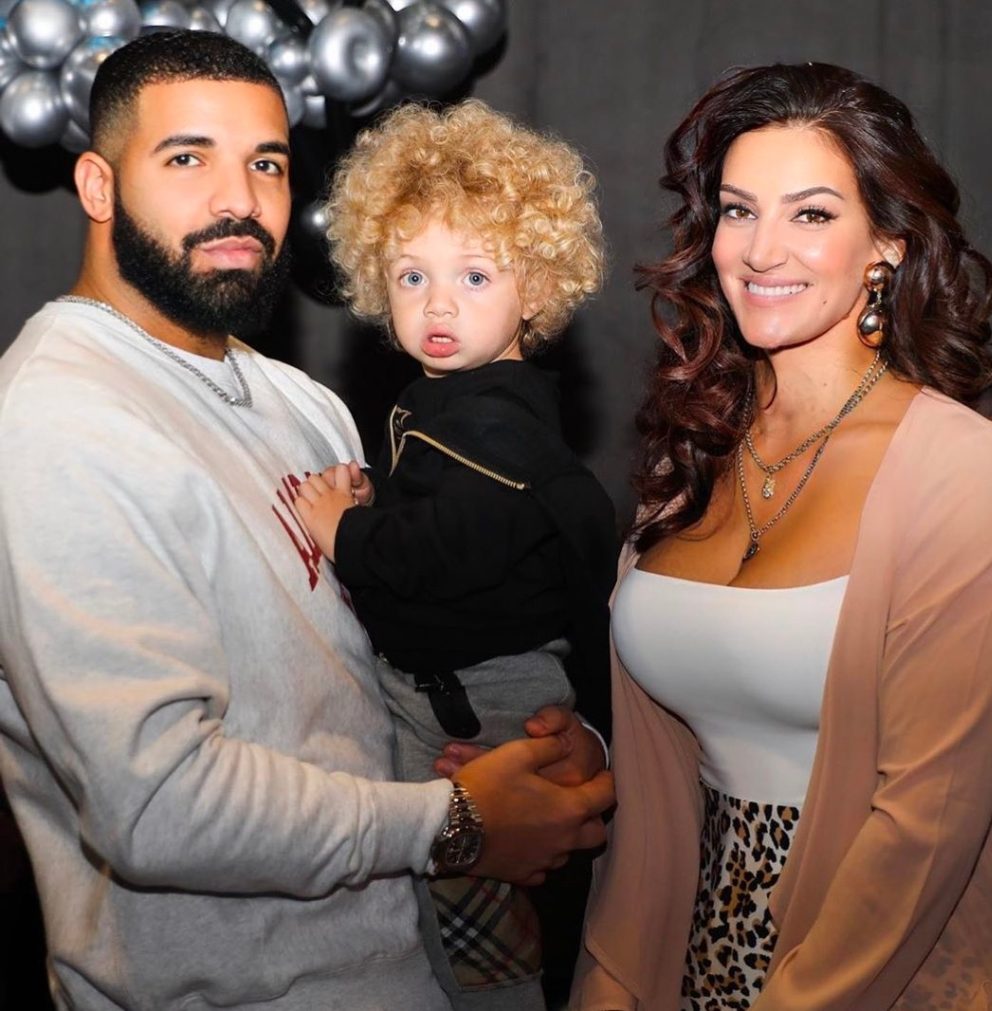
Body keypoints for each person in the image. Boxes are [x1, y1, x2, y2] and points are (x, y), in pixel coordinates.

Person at [0, 30, 614, 1011]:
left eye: (267, 163)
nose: (238, 199)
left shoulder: (301, 403)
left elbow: (395, 648)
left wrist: (543, 743)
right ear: (98, 185)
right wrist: (454, 823)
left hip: (413, 966)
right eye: (187, 157)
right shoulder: (55, 420)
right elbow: (157, 808)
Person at [571, 62, 992, 1010]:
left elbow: (926, 822)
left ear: (888, 245)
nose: (762, 249)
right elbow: (659, 781)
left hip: (892, 971)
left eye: (811, 214)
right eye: (739, 211)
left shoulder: (967, 471)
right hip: (686, 958)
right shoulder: (689, 457)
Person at [292, 99, 618, 1009]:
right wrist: (378, 494)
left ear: (537, 289)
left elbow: (439, 552)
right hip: (454, 687)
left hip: (480, 705)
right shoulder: (449, 403)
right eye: (410, 276)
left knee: (477, 947)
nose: (438, 304)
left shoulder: (498, 418)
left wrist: (343, 530)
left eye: (476, 276)